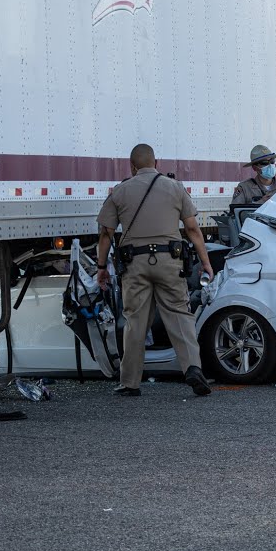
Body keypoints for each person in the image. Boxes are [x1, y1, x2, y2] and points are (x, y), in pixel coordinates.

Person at [96, 144, 215, 397]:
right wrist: (206, 262)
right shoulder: (175, 188)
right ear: (156, 163)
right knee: (180, 314)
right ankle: (193, 368)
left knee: (135, 321)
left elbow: (106, 233)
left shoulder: (120, 191)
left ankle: (130, 382)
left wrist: (101, 267)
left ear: (132, 165)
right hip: (169, 261)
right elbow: (193, 229)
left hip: (134, 264)